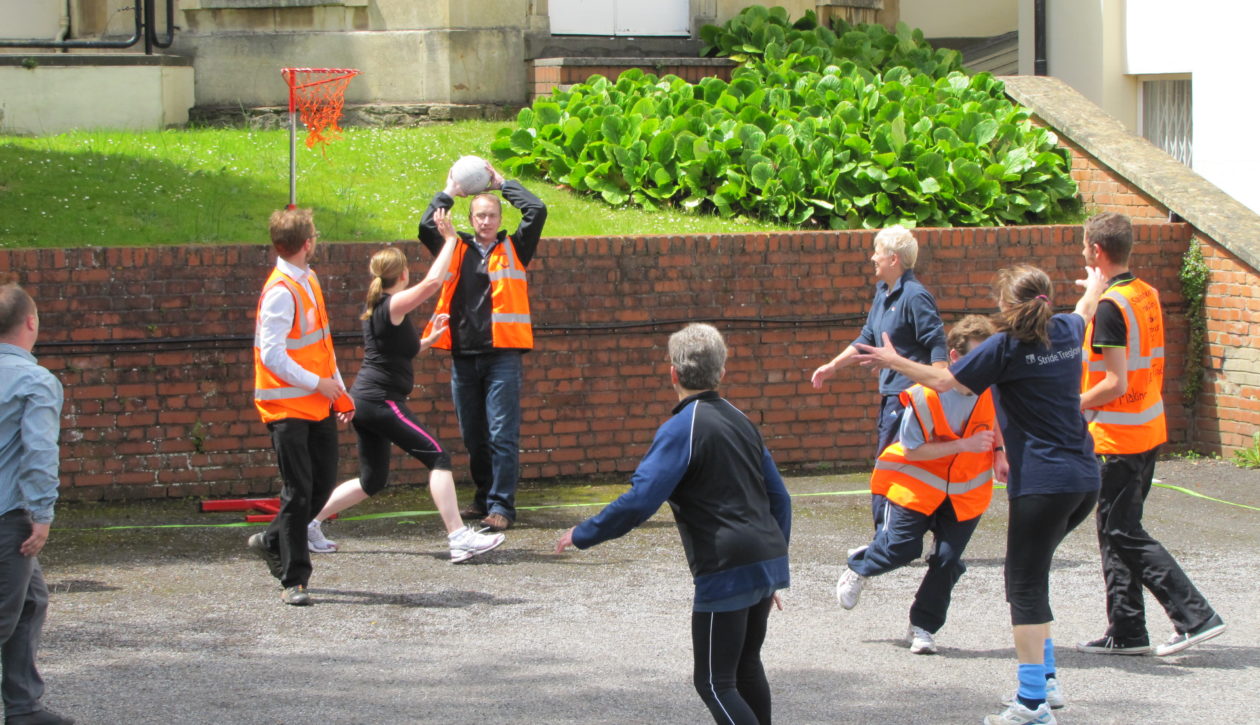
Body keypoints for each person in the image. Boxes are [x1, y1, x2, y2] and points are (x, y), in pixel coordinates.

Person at [854, 263, 1108, 725]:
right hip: (1084, 479)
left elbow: (942, 381)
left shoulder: (1005, 347)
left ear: (1005, 307)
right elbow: (1088, 309)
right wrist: (1095, 284)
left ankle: (1031, 703)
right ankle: (1047, 684)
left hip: (1044, 483)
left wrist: (894, 362)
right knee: (1034, 575)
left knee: (1024, 586)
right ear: (1046, 299)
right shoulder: (1067, 328)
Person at [555, 324, 791, 725]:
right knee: (745, 666)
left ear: (673, 374)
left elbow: (641, 500)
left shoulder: (682, 427)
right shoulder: (742, 420)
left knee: (715, 683)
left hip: (727, 565)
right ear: (722, 371)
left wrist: (583, 533)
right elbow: (780, 498)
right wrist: (771, 564)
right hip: (765, 556)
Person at [306, 212, 505, 563]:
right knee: (439, 458)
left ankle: (310, 525)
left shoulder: (383, 309)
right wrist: (450, 243)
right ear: (402, 275)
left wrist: (429, 339)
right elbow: (432, 284)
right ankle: (459, 538)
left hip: (366, 403)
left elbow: (402, 351)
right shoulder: (391, 303)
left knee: (372, 480)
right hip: (381, 402)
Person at [1075, 212, 1225, 657]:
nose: (1084, 252)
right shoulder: (1144, 294)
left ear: (1097, 251)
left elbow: (1115, 382)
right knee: (1115, 529)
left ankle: (1195, 615)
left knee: (1122, 531)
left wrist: (1071, 405)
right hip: (1146, 427)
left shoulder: (1110, 308)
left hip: (1119, 437)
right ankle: (1127, 630)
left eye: (1086, 247)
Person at [836, 315, 1006, 656]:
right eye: (978, 359)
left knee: (947, 560)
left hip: (965, 492)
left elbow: (998, 419)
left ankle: (923, 625)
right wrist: (962, 446)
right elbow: (912, 449)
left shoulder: (993, 387)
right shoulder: (924, 396)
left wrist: (1000, 453)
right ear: (956, 359)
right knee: (902, 549)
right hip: (916, 484)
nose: (986, 368)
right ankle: (860, 564)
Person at [418, 161, 547, 532]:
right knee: (475, 436)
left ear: (498, 217)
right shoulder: (453, 247)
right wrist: (450, 190)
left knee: (501, 435)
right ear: (471, 218)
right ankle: (483, 497)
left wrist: (502, 183)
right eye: (480, 216)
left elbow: (536, 210)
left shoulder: (516, 247)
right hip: (464, 355)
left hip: (502, 356)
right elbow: (426, 226)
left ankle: (502, 507)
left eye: (492, 216)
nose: (486, 222)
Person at [248, 208, 355, 606]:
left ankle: (271, 540)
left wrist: (339, 392)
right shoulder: (281, 291)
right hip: (286, 408)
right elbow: (274, 357)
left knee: (321, 486)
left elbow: (321, 346)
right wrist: (321, 385)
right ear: (307, 243)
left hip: (316, 402)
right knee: (298, 492)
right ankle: (295, 579)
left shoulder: (307, 280)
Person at [811, 225, 947, 529]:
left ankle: (888, 535)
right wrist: (833, 366)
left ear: (894, 259)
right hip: (891, 397)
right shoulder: (883, 293)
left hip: (910, 398)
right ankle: (893, 533)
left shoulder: (915, 296)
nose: (873, 258)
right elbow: (868, 335)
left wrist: (940, 378)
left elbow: (936, 341)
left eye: (878, 253)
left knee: (892, 465)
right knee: (894, 464)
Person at [0, 284, 75, 725]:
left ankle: (24, 705)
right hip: (10, 516)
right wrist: (43, 516)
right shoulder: (36, 381)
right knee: (5, 614)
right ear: (31, 322)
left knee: (31, 601)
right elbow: (40, 454)